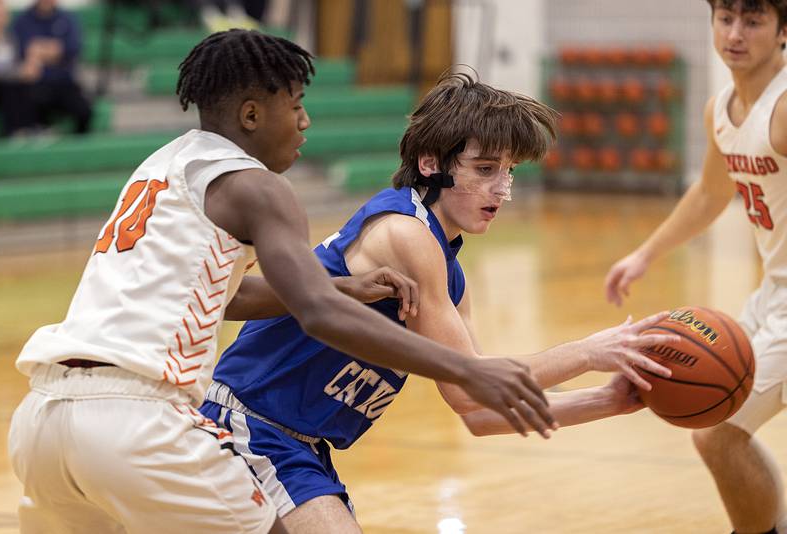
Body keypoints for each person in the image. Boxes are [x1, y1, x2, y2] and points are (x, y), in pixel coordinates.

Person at [8, 31, 558, 533]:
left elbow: (221, 295)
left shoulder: (164, 164)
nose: (305, 121)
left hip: (43, 417)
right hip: (138, 422)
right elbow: (318, 316)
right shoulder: (260, 189)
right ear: (251, 114)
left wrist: (342, 288)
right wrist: (465, 369)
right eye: (294, 105)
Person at [199, 70, 679, 533]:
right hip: (248, 425)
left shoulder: (451, 275)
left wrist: (608, 400)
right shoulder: (406, 233)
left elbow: (478, 411)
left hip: (298, 447)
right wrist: (591, 352)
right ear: (431, 164)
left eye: (509, 171)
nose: (501, 188)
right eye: (485, 169)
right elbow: (474, 388)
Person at [604, 2, 787, 532]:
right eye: (726, 17)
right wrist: (644, 254)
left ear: (782, 31)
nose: (735, 33)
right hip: (773, 292)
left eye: (753, 21)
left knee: (717, 429)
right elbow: (710, 193)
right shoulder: (722, 109)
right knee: (718, 423)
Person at [12, 0, 92, 134]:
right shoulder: (22, 21)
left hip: (64, 83)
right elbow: (20, 52)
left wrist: (39, 51)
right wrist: (53, 51)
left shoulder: (67, 18)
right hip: (35, 84)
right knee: (28, 102)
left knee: (84, 111)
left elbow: (72, 49)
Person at [0, 0, 40, 136]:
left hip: (7, 85)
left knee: (25, 86)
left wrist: (28, 69)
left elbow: (15, 63)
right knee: (11, 86)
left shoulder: (10, 38)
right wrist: (18, 73)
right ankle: (13, 131)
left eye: (0, 15)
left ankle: (28, 128)